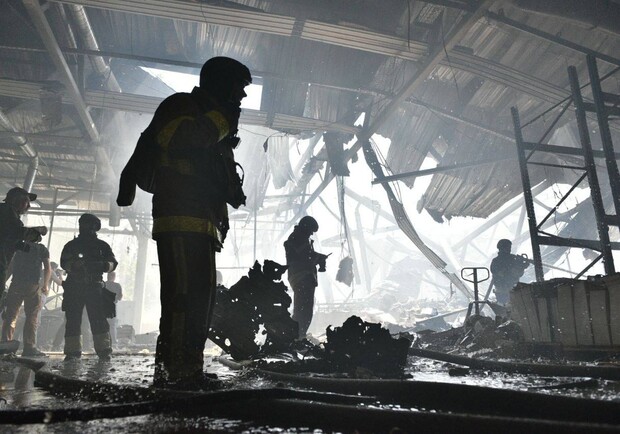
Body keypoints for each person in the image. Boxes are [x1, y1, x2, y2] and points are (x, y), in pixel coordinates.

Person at [135, 56, 251, 389]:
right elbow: (182, 140)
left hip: (202, 221)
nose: (242, 96)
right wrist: (223, 120)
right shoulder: (182, 105)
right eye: (239, 88)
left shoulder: (211, 117)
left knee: (200, 303)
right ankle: (175, 374)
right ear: (221, 84)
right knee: (184, 300)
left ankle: (188, 370)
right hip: (180, 216)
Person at [60, 213, 118, 361]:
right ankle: (72, 352)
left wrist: (102, 265)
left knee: (98, 319)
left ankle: (104, 350)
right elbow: (64, 263)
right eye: (83, 224)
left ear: (95, 227)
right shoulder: (71, 245)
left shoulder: (102, 246)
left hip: (94, 287)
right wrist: (74, 265)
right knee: (73, 319)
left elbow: (113, 263)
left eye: (88, 225)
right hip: (75, 286)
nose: (85, 228)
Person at [1, 242, 52, 357]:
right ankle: (29, 347)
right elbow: (48, 268)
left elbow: (11, 266)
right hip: (32, 285)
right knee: (32, 316)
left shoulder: (19, 246)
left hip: (16, 284)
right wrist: (45, 284)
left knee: (11, 315)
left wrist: (3, 282)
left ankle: (5, 345)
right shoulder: (41, 249)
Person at [0, 187, 47, 303]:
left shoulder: (5, 211)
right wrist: (36, 232)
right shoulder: (7, 211)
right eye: (26, 201)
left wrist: (20, 245)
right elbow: (16, 231)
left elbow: (6, 237)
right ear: (16, 200)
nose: (29, 206)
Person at [284, 216, 328, 339]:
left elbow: (307, 256)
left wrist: (318, 258)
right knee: (303, 310)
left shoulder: (300, 238)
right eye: (310, 231)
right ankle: (297, 337)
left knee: (305, 310)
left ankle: (298, 336)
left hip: (303, 277)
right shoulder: (297, 238)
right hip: (302, 277)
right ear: (305, 227)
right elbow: (306, 255)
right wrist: (319, 258)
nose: (311, 234)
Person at [490, 239, 530, 305]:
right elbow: (504, 274)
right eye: (507, 247)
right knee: (506, 306)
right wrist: (518, 266)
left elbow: (518, 274)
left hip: (513, 290)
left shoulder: (512, 259)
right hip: (503, 292)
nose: (509, 249)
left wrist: (521, 267)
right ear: (502, 248)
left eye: (509, 247)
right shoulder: (496, 261)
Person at [104, 271, 123, 347]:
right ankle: (113, 342)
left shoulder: (103, 284)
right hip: (112, 306)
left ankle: (104, 341)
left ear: (108, 276)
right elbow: (120, 297)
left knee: (103, 323)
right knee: (112, 325)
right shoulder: (117, 285)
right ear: (114, 277)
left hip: (103, 306)